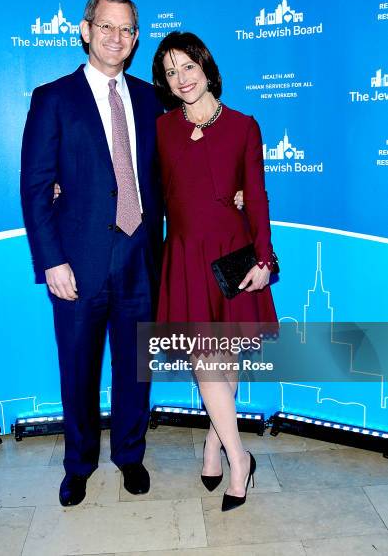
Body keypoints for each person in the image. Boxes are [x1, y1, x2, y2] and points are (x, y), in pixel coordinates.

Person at [20, 0, 165, 506]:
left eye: (127, 29)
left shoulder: (151, 99)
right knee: (78, 371)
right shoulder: (53, 98)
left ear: (135, 38)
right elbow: (36, 187)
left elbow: (169, 174)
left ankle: (130, 456)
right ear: (85, 30)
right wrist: (51, 260)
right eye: (106, 26)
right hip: (77, 265)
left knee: (135, 371)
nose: (116, 37)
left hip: (140, 260)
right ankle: (78, 464)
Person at [152, 32, 278, 512]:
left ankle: (217, 446)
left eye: (188, 66)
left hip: (233, 254)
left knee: (223, 363)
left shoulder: (244, 125)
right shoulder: (162, 127)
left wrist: (264, 260)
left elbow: (258, 196)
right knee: (208, 361)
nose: (181, 78)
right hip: (184, 254)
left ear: (206, 66)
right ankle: (238, 455)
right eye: (170, 71)